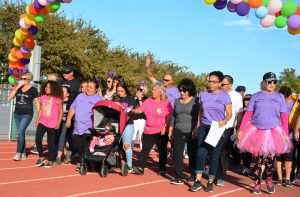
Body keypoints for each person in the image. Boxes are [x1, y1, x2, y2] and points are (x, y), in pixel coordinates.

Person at [237, 72, 293, 194]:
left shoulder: (279, 97)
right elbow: (248, 113)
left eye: (274, 82)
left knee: (270, 160)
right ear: (264, 83)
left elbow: (284, 116)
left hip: (274, 131)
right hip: (257, 130)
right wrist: (241, 129)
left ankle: (268, 180)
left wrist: (285, 133)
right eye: (269, 82)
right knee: (257, 159)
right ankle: (257, 183)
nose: (272, 84)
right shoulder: (256, 96)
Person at [189, 71, 232, 193]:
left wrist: (224, 121)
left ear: (220, 83)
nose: (211, 83)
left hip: (217, 128)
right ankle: (197, 182)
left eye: (214, 81)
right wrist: (197, 126)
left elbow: (229, 113)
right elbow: (200, 112)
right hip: (204, 126)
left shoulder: (225, 96)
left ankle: (210, 181)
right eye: (209, 81)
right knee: (201, 153)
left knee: (214, 155)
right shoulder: (203, 95)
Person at [132, 83, 173, 175]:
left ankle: (162, 169)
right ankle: (140, 168)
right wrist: (131, 110)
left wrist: (165, 127)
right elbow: (140, 110)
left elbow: (169, 116)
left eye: (155, 90)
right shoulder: (148, 101)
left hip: (161, 132)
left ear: (160, 92)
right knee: (145, 150)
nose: (152, 91)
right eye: (153, 90)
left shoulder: (166, 102)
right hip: (149, 130)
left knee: (162, 151)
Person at [66, 80, 103, 171]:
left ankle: (83, 162)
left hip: (89, 128)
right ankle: (85, 160)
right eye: (87, 86)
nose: (88, 89)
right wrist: (68, 119)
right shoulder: (80, 96)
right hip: (77, 127)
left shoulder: (99, 99)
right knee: (77, 145)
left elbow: (102, 113)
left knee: (85, 146)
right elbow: (72, 108)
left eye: (91, 87)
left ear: (96, 90)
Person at [168, 78, 199, 185]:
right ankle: (179, 177)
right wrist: (170, 130)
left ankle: (192, 174)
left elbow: (199, 117)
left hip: (192, 131)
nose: (182, 92)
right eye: (180, 90)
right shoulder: (177, 101)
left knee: (192, 154)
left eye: (184, 90)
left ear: (190, 90)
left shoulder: (196, 101)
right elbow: (173, 117)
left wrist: (196, 129)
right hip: (178, 130)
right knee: (177, 154)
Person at [215, 75, 243, 187]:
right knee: (213, 150)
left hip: (228, 127)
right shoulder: (217, 93)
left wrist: (239, 128)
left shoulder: (236, 96)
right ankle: (214, 172)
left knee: (223, 152)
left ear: (230, 85)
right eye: (220, 84)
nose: (221, 86)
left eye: (223, 84)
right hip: (215, 126)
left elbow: (239, 114)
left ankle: (221, 176)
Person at [8, 72, 40, 161]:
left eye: (24, 79)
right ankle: (23, 153)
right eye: (21, 78)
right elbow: (9, 97)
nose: (22, 80)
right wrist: (17, 87)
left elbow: (37, 103)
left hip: (27, 114)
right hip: (17, 113)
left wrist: (40, 114)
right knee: (21, 133)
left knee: (21, 132)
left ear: (29, 80)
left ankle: (18, 153)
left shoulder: (33, 90)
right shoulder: (18, 88)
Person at [34, 81, 63, 168]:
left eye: (49, 87)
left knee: (50, 143)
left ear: (54, 88)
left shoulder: (57, 99)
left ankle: (50, 160)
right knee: (38, 139)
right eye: (46, 87)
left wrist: (58, 123)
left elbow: (61, 112)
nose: (47, 88)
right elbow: (41, 110)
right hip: (43, 121)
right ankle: (41, 157)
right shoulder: (42, 97)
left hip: (53, 123)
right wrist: (37, 120)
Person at [115, 80, 138, 174]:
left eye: (121, 91)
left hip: (128, 125)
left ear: (125, 90)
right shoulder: (116, 98)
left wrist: (125, 109)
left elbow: (134, 111)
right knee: (115, 145)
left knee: (126, 146)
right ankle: (117, 162)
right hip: (117, 124)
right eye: (118, 91)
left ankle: (129, 165)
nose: (119, 93)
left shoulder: (131, 99)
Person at [275, 86, 295, 187]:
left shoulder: (295, 104)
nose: (284, 100)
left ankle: (287, 178)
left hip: (290, 134)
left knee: (288, 158)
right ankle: (279, 178)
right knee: (278, 157)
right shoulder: (278, 103)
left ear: (290, 96)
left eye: (286, 98)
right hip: (278, 133)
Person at [54, 86, 72, 165]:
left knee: (61, 138)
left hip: (66, 123)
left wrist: (64, 114)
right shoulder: (57, 101)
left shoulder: (71, 103)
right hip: (57, 122)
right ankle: (66, 154)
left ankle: (58, 157)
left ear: (67, 94)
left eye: (63, 91)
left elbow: (71, 113)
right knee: (56, 139)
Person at [132, 80, 148, 150]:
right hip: (135, 119)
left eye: (141, 89)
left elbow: (142, 110)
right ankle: (130, 150)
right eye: (138, 89)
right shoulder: (134, 99)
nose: (139, 91)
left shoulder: (146, 99)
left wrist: (140, 99)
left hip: (142, 120)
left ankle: (142, 152)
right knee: (133, 136)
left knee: (141, 136)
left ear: (144, 90)